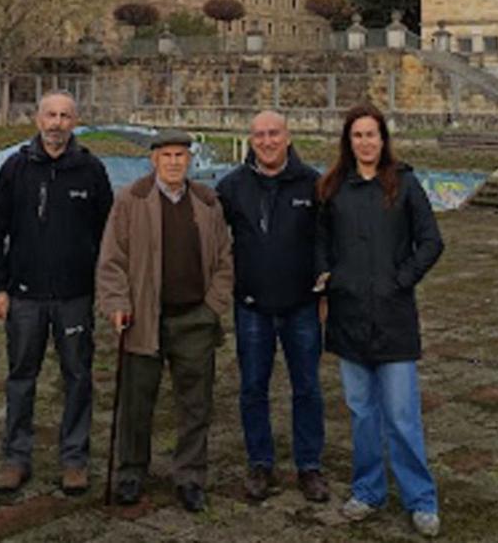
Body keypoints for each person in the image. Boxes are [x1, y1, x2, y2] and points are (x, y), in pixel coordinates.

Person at [315, 104, 444, 539]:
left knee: (402, 415)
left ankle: (420, 499)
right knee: (361, 413)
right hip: (349, 316)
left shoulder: (404, 184)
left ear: (383, 139)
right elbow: (320, 242)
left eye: (371, 134)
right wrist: (329, 276)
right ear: (347, 141)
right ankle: (368, 490)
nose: (365, 142)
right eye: (358, 135)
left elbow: (431, 241)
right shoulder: (333, 188)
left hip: (393, 317)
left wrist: (401, 280)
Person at [96, 128, 233, 512]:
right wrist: (116, 303)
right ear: (153, 159)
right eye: (167, 155)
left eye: (180, 155)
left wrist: (212, 307)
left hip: (195, 319)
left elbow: (225, 260)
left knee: (195, 404)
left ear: (190, 160)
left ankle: (190, 477)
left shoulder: (207, 202)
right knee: (136, 404)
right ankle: (130, 474)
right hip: (143, 319)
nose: (174, 162)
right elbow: (112, 260)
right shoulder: (131, 199)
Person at [0, 90, 113, 496]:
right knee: (21, 378)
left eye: (65, 116)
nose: (57, 123)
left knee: (78, 377)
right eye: (50, 115)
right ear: (38, 119)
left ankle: (74, 459)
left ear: (75, 122)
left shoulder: (91, 170)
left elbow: (109, 235)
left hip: (75, 297)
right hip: (24, 296)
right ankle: (15, 458)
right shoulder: (15, 168)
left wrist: (106, 289)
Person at [216, 110, 328, 503]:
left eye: (274, 134)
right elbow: (212, 238)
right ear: (251, 140)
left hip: (301, 305)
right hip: (252, 306)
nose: (267, 141)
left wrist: (325, 287)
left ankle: (309, 465)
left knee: (307, 388)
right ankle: (260, 462)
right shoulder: (231, 186)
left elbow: (325, 240)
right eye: (259, 135)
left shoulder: (313, 184)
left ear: (288, 137)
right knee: (252, 387)